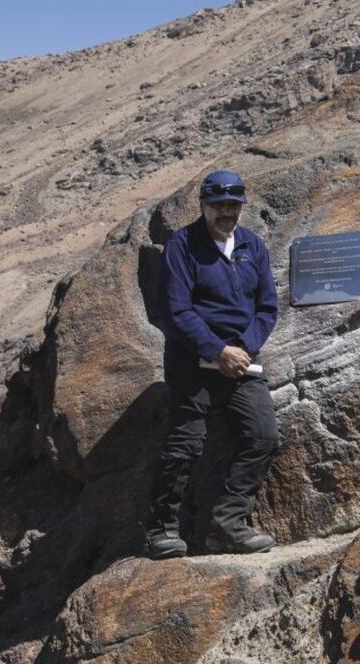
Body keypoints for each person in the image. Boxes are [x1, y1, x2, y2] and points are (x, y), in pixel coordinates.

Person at [144, 170, 280, 559]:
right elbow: (176, 311)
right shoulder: (182, 246)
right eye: (218, 205)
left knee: (262, 435)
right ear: (203, 205)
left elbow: (267, 306)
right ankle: (161, 532)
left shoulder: (252, 245)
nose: (226, 212)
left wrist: (243, 348)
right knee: (185, 445)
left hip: (241, 363)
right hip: (192, 364)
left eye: (233, 205)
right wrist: (217, 350)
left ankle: (229, 525)